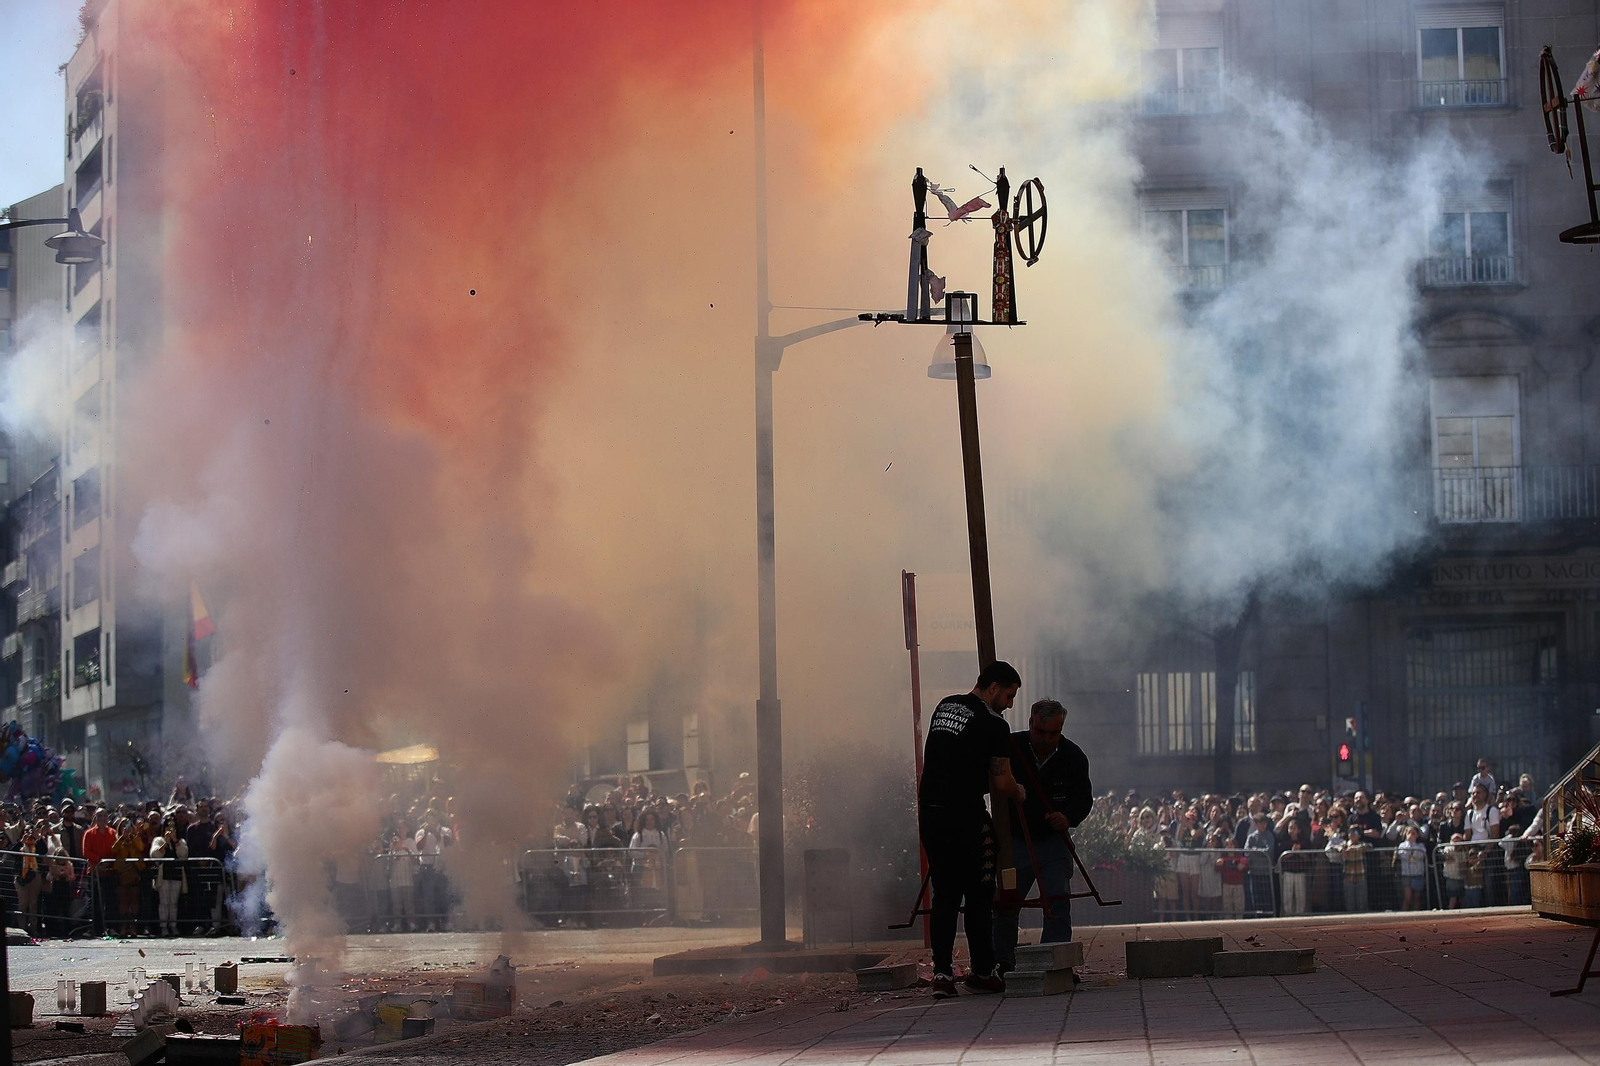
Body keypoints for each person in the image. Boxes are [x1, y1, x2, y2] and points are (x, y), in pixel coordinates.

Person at [918, 660, 1026, 999]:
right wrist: (1019, 791)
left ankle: (941, 973)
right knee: (980, 893)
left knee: (945, 894)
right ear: (993, 687)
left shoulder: (945, 706)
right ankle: (982, 970)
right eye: (1009, 696)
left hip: (931, 814)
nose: (1010, 705)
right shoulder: (995, 726)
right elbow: (1001, 779)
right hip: (965, 814)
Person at [991, 698, 1092, 978]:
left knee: (1057, 901)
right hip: (1014, 843)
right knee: (1006, 903)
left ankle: (1053, 961)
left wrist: (1068, 817)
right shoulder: (1010, 748)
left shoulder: (1073, 756)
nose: (1046, 739)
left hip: (1053, 842)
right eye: (1040, 732)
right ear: (1030, 724)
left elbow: (1084, 800)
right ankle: (1003, 963)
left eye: (1053, 734)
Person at [149, 824, 188, 936]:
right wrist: (166, 842)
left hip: (176, 875)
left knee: (173, 902)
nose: (170, 831)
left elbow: (184, 854)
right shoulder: (158, 840)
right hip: (164, 875)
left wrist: (175, 841)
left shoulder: (180, 841)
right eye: (168, 828)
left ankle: (173, 925)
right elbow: (155, 855)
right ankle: (163, 927)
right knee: (164, 902)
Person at [1395, 825, 1427, 910]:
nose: (1411, 835)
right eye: (1409, 833)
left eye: (1413, 833)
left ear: (1417, 835)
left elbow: (1420, 855)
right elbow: (1403, 855)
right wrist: (1410, 846)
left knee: (1417, 897)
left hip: (1417, 873)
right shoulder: (1402, 845)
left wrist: (1413, 845)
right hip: (1406, 874)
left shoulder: (1421, 846)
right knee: (1407, 898)